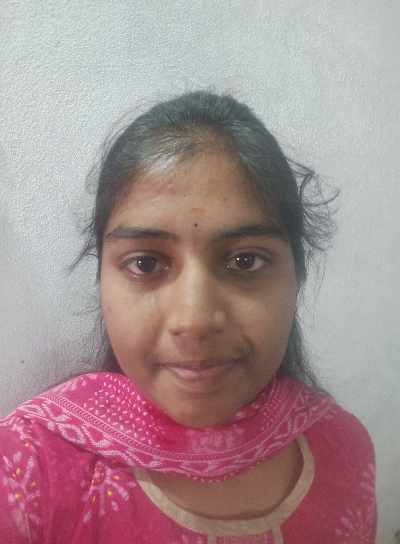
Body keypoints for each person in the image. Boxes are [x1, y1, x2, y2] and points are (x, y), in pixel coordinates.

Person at [0, 90, 377, 543]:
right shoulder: (26, 470)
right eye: (145, 263)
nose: (195, 320)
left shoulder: (343, 449)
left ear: (296, 276)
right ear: (102, 280)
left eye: (245, 261)